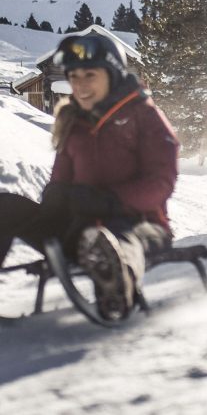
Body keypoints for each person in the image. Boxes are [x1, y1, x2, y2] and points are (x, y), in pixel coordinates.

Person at [0, 32, 179, 321]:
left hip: (138, 223)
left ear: (112, 73)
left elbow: (161, 183)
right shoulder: (74, 121)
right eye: (74, 77)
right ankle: (101, 255)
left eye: (89, 75)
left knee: (117, 238)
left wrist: (108, 201)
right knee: (5, 207)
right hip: (77, 224)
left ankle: (117, 287)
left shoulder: (145, 117)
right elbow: (60, 178)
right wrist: (55, 197)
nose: (80, 86)